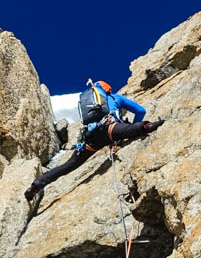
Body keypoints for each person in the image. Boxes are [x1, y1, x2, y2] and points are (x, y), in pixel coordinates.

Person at [25, 80, 162, 201]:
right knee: (136, 129)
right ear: (107, 90)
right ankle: (155, 124)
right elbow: (140, 111)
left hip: (90, 137)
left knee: (68, 165)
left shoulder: (90, 105)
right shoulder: (115, 98)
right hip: (111, 129)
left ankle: (37, 185)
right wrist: (131, 128)